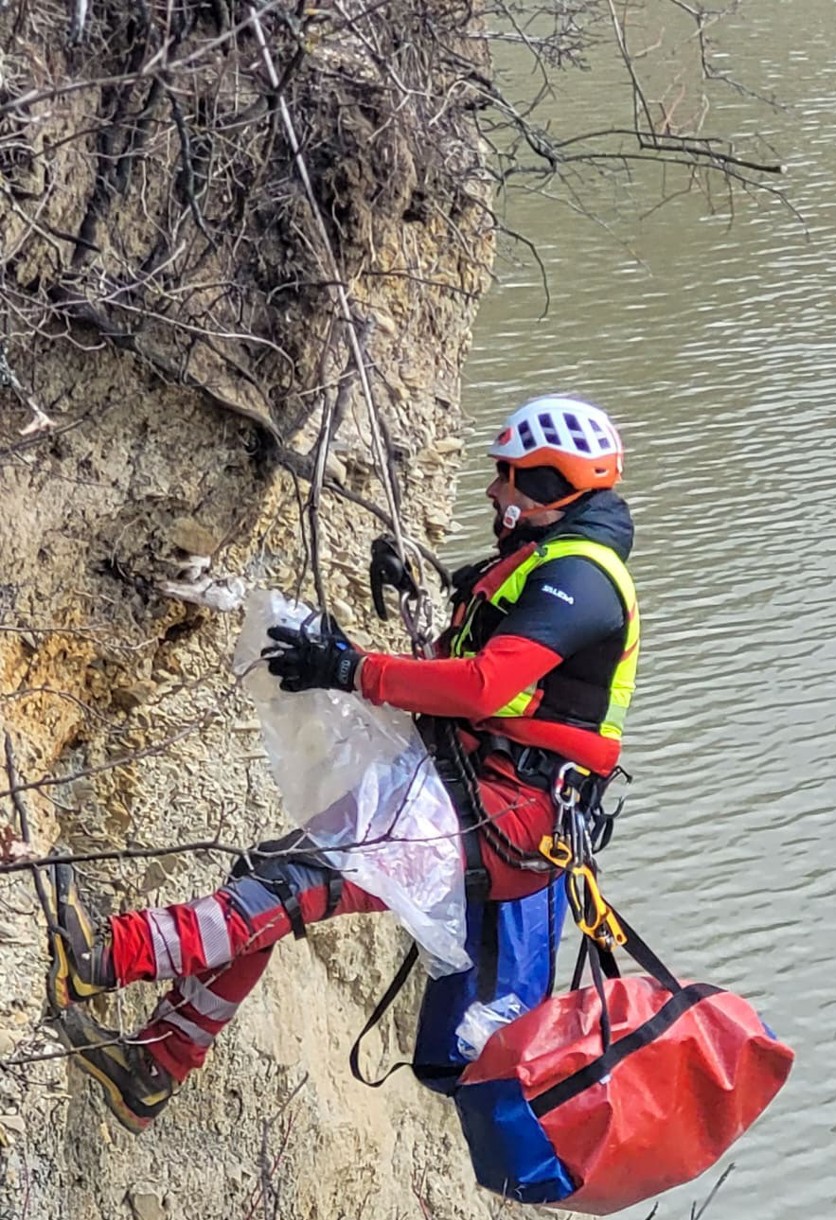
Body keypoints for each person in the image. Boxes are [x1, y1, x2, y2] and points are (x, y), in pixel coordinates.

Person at [48, 394, 640, 1133]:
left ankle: (102, 959)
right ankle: (157, 1066)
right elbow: (477, 681)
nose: (495, 490)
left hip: (506, 818)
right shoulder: (543, 560)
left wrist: (351, 668)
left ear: (554, 487)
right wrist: (409, 608)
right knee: (275, 874)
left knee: (293, 882)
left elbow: (487, 684)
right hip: (477, 796)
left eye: (511, 477)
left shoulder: (581, 579)